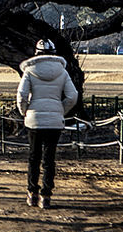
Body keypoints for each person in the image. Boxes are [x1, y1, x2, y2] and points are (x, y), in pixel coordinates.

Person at [16, 38, 78, 208]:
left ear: (36, 53)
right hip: (55, 121)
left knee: (34, 157)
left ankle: (32, 193)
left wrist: (25, 111)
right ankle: (46, 196)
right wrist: (60, 110)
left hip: (34, 119)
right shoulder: (63, 72)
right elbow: (72, 96)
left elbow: (21, 96)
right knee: (49, 159)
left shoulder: (29, 71)